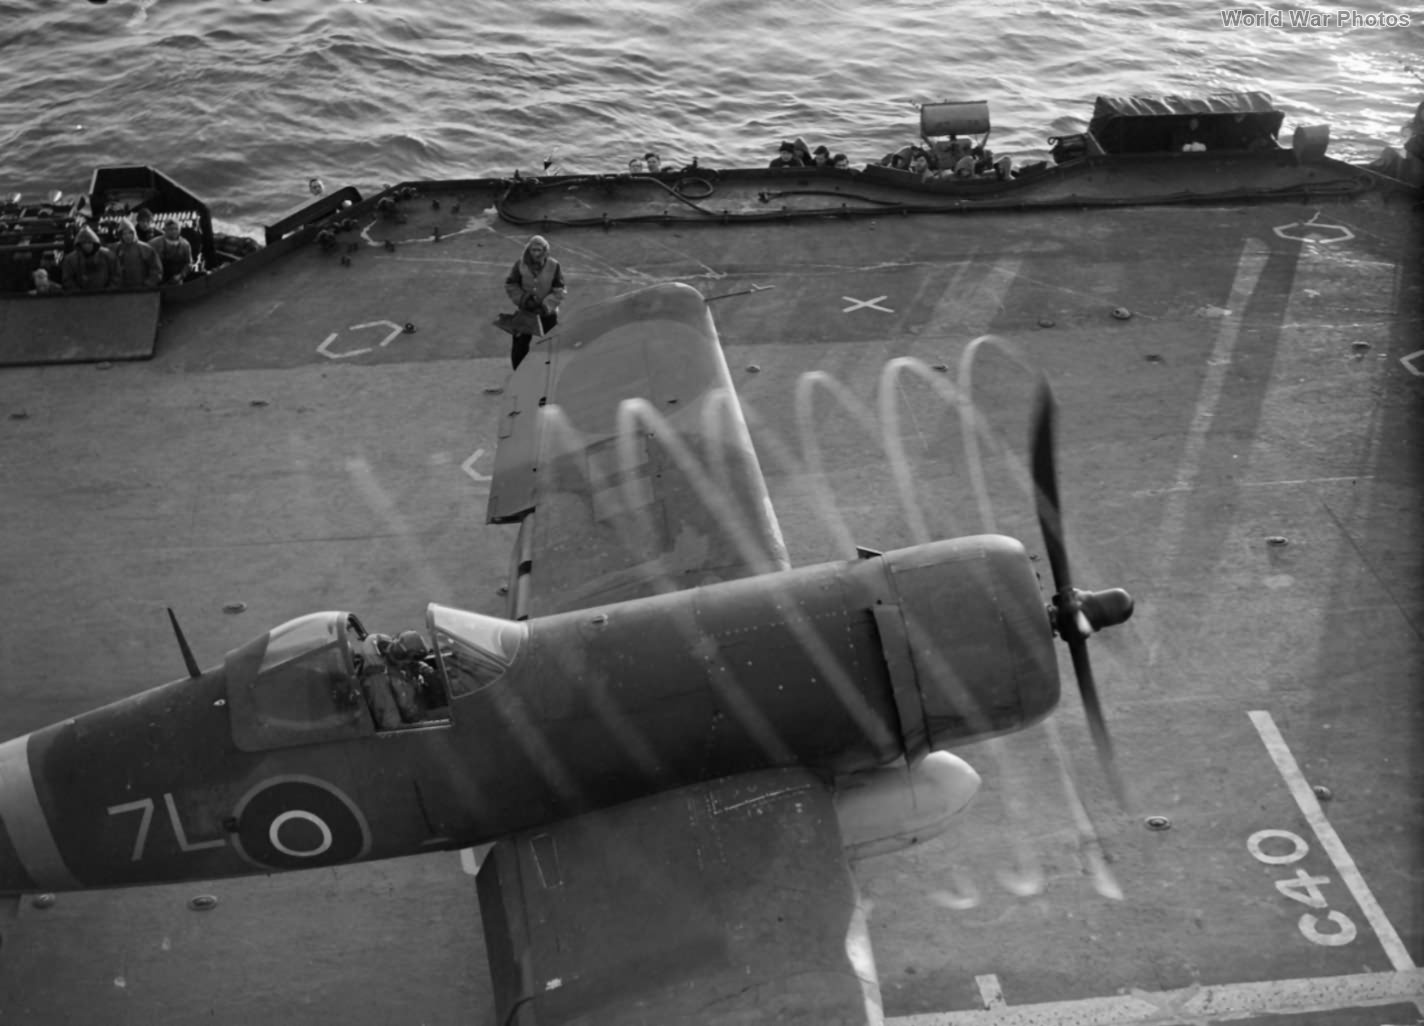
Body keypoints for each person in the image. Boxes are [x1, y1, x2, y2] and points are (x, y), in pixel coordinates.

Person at [502, 234, 566, 370]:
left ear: (545, 250)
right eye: (533, 250)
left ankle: (551, 371)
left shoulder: (554, 265)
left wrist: (546, 305)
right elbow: (511, 285)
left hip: (546, 311)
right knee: (520, 344)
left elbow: (559, 289)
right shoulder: (520, 264)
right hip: (526, 310)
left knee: (552, 343)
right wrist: (524, 300)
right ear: (528, 250)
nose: (536, 253)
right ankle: (519, 372)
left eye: (539, 250)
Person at [59, 225, 116, 292]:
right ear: (80, 244)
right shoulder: (70, 259)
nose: (87, 245)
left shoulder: (108, 255)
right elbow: (67, 280)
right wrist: (79, 294)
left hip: (106, 296)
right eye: (84, 243)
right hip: (80, 297)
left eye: (89, 242)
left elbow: (116, 276)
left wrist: (109, 292)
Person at [110, 219, 162, 288]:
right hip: (121, 290)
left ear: (134, 233)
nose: (127, 236)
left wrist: (149, 284)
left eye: (130, 233)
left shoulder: (145, 248)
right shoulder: (115, 248)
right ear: (120, 235)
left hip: (142, 289)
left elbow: (156, 268)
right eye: (124, 234)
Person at [150, 219, 194, 285]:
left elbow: (189, 264)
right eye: (170, 229)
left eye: (176, 229)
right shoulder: (154, 243)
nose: (174, 231)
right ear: (165, 230)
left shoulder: (185, 244)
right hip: (157, 280)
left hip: (177, 281)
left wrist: (181, 275)